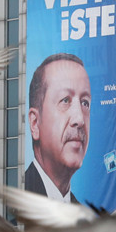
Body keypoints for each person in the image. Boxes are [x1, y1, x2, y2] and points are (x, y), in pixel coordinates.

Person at [25, 53, 91, 203]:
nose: (79, 119)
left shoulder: (84, 215)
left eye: (85, 103)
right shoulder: (15, 202)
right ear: (35, 123)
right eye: (65, 100)